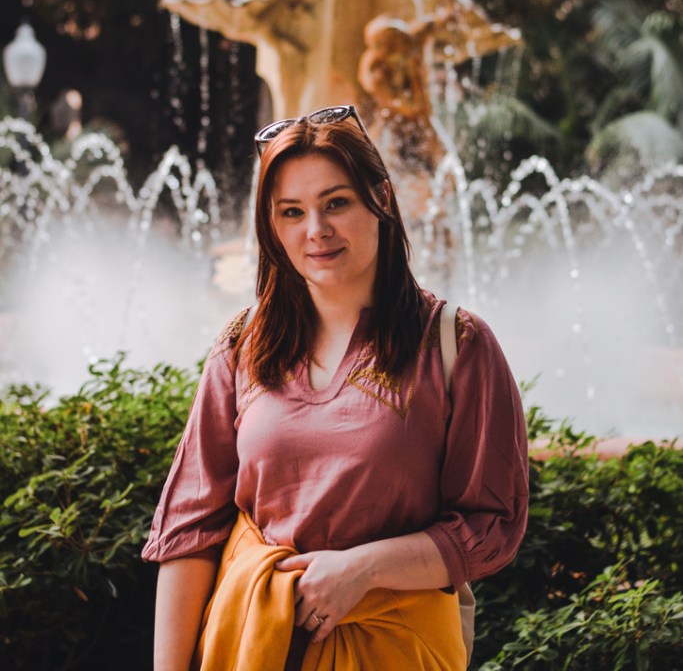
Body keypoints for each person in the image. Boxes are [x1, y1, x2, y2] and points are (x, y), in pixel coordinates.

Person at [142, 104, 529, 671]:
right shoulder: (242, 348)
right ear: (271, 226)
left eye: (337, 203)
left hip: (395, 649)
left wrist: (363, 569)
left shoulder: (455, 345)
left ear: (382, 199)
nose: (315, 230)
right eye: (291, 212)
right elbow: (192, 531)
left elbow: (489, 525)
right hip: (250, 646)